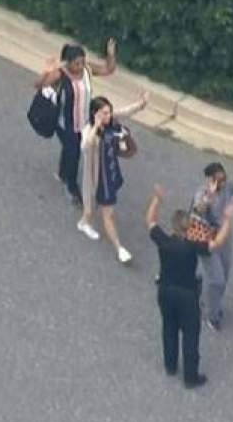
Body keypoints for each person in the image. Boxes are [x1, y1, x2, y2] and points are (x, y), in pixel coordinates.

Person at [145, 183, 233, 389]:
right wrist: (227, 220)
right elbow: (217, 243)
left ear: (173, 226)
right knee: (190, 334)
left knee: (168, 327)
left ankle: (170, 365)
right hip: (187, 295)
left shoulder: (164, 241)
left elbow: (150, 221)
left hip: (165, 291)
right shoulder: (193, 247)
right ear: (189, 229)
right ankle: (190, 376)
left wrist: (157, 199)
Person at [35, 39, 117, 207]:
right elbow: (38, 85)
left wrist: (110, 55)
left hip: (84, 122)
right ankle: (72, 187)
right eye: (77, 63)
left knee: (71, 150)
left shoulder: (87, 70)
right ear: (68, 62)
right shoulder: (60, 74)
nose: (80, 66)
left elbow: (108, 69)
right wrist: (47, 72)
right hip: (65, 124)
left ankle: (62, 172)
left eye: (82, 62)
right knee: (74, 153)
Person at [78, 93, 148, 263]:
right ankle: (119, 248)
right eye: (104, 113)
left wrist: (140, 104)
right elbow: (85, 146)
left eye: (109, 112)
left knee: (95, 208)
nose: (108, 116)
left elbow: (125, 112)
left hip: (110, 172)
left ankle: (84, 222)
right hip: (96, 176)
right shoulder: (89, 130)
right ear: (95, 113)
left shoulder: (111, 120)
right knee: (105, 212)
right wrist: (96, 126)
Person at [191, 156, 233, 330]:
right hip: (207, 239)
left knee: (224, 274)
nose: (222, 183)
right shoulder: (202, 194)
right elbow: (198, 209)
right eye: (218, 180)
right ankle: (211, 315)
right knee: (217, 280)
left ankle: (206, 294)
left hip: (225, 236)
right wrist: (209, 196)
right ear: (209, 179)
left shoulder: (228, 187)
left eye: (223, 178)